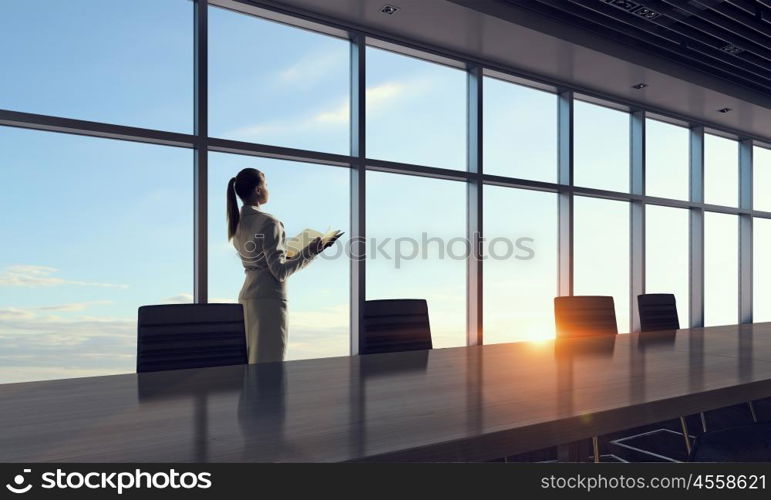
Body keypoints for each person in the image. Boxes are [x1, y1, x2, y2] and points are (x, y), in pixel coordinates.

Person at [226, 168, 336, 363]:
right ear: (258, 190)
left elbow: (260, 260)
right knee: (270, 367)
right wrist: (310, 251)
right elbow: (279, 271)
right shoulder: (269, 222)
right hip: (269, 300)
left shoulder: (236, 224)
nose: (268, 188)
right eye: (266, 184)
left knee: (252, 366)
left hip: (247, 297)